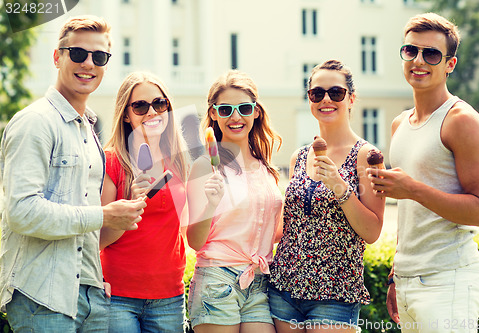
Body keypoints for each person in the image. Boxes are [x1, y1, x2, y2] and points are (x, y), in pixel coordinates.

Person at [0, 16, 147, 332]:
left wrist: (96, 280)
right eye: (78, 54)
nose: (89, 64)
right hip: (42, 298)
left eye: (99, 57)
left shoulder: (88, 128)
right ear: (57, 57)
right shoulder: (35, 123)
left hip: (89, 299)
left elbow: (87, 228)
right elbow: (22, 213)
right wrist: (103, 216)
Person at [368, 13, 479, 333]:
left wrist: (412, 188)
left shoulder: (461, 120)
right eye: (411, 51)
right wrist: (397, 274)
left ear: (450, 64)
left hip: (447, 279)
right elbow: (410, 211)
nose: (419, 60)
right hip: (409, 279)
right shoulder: (400, 124)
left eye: (432, 54)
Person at [268, 59, 385, 333]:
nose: (326, 100)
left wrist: (339, 185)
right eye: (317, 93)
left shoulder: (367, 156)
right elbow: (287, 226)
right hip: (284, 289)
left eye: (336, 92)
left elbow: (372, 230)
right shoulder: (299, 157)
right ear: (309, 99)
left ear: (352, 98)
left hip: (335, 293)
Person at [186, 70, 283, 332]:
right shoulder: (205, 165)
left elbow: (273, 233)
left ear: (256, 111)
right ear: (214, 113)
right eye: (226, 109)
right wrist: (210, 204)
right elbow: (194, 241)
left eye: (243, 108)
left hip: (259, 282)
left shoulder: (265, 167)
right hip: (218, 278)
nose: (236, 117)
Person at [99, 71, 190, 332]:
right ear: (126, 114)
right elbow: (99, 238)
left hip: (169, 296)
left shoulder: (181, 160)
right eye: (140, 106)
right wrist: (129, 204)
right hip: (118, 297)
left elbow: (188, 232)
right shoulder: (112, 162)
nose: (152, 112)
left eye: (159, 104)